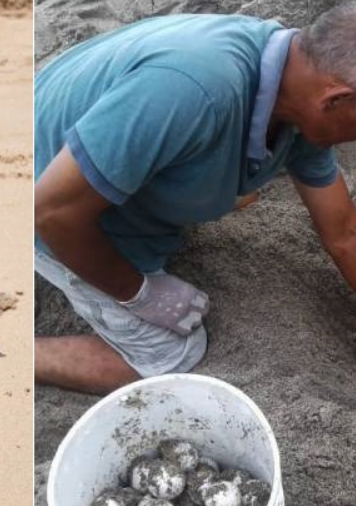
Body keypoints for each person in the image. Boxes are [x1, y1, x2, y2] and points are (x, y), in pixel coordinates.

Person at [34, 2, 356, 394]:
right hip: (43, 185)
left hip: (98, 147)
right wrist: (139, 293)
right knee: (171, 360)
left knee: (232, 189)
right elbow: (50, 211)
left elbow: (344, 234)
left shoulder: (296, 90)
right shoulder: (194, 91)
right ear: (336, 99)